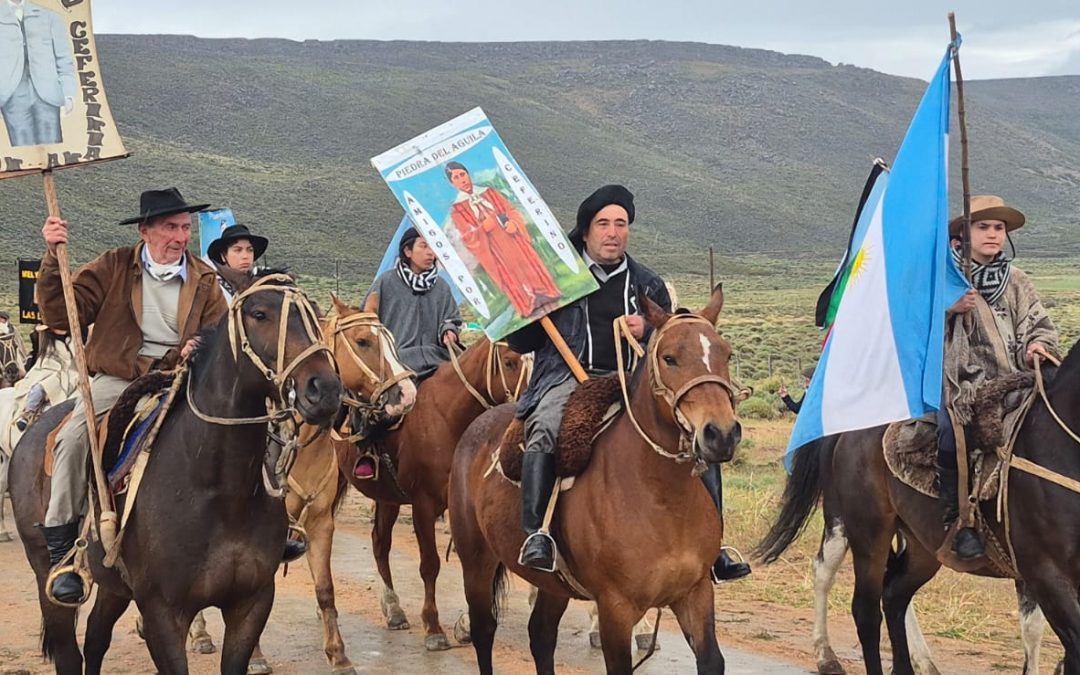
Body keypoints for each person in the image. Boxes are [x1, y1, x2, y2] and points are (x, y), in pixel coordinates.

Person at [507, 184, 750, 582]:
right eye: (603, 224)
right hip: (568, 376)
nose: (613, 232)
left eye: (621, 224)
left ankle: (714, 546)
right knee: (546, 429)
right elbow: (522, 342)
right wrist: (526, 312)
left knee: (695, 436)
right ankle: (536, 534)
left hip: (634, 379)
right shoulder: (554, 279)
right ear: (585, 232)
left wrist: (646, 329)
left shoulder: (647, 284)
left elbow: (673, 341)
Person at [35, 187, 233, 603]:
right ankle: (65, 551)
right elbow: (60, 312)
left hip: (181, 378)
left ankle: (267, 523)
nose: (180, 236)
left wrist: (200, 344)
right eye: (170, 227)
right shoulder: (113, 266)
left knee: (241, 425)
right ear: (145, 231)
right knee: (73, 441)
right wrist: (53, 258)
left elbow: (220, 333)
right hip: (119, 378)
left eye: (185, 227)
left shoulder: (205, 279)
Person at [939, 195, 1059, 561]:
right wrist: (948, 308)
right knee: (950, 433)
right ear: (965, 232)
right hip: (964, 383)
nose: (993, 234)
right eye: (983, 226)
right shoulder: (946, 278)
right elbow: (913, 328)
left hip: (1018, 379)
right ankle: (959, 522)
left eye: (999, 228)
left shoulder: (1017, 280)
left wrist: (1037, 345)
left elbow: (1039, 323)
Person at [359, 227, 461, 479]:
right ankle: (369, 450)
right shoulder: (386, 282)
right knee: (377, 405)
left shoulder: (442, 287)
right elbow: (367, 319)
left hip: (436, 357)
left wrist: (449, 331)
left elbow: (451, 318)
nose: (430, 252)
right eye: (423, 246)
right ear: (407, 251)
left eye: (432, 247)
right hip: (397, 360)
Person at [445, 161, 562, 317]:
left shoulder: (490, 192)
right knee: (510, 274)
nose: (462, 180)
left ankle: (546, 292)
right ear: (452, 183)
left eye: (462, 174)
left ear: (468, 174)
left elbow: (510, 210)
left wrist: (514, 223)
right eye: (456, 178)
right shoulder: (457, 210)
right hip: (494, 249)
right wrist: (483, 229)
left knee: (528, 263)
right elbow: (468, 237)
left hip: (513, 238)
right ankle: (527, 303)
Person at [0, 0, 77, 147]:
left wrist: (68, 93)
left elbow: (63, 58)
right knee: (22, 149)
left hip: (48, 94)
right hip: (12, 97)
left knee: (52, 148)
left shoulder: (50, 17)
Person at [206, 224, 269, 302]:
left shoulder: (263, 287)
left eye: (250, 250)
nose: (245, 256)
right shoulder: (211, 288)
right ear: (223, 256)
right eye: (238, 250)